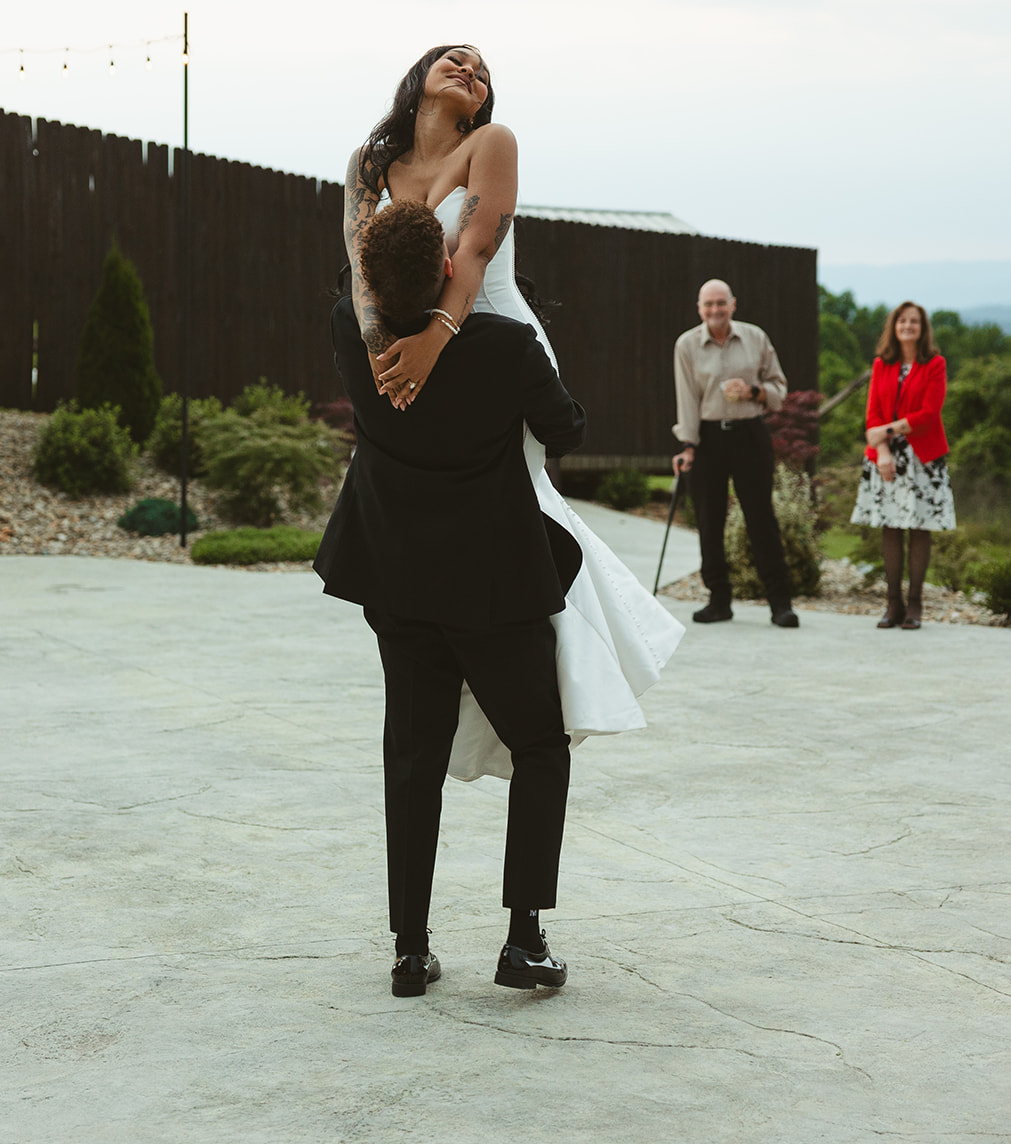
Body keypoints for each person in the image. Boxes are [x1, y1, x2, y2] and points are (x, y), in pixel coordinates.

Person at [342, 44, 685, 783]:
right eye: (452, 58)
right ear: (418, 78)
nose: (470, 68)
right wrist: (380, 354)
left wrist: (432, 341)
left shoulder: (490, 144)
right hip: (404, 348)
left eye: (482, 69)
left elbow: (470, 252)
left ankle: (540, 665)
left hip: (490, 338)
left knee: (509, 505)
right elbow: (360, 262)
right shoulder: (370, 162)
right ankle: (442, 650)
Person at [315, 198, 586, 995]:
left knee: (411, 757)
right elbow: (565, 426)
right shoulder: (503, 343)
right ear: (447, 266)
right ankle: (522, 942)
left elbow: (355, 291)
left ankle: (409, 952)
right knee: (539, 748)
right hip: (494, 584)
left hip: (395, 579)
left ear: (367, 279)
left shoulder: (347, 327)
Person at [671, 279, 798, 627]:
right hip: (709, 439)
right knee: (709, 521)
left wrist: (753, 391)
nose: (715, 310)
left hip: (750, 435)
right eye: (708, 304)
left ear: (733, 305)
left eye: (721, 303)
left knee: (761, 519)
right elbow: (687, 400)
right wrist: (688, 445)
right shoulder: (686, 345)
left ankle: (780, 603)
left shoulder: (755, 338)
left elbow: (779, 389)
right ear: (699, 308)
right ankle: (719, 600)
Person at [850, 301, 955, 629]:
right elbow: (872, 417)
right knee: (891, 527)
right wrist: (882, 450)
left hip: (923, 458)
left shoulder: (935, 364)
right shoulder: (882, 364)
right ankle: (892, 605)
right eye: (902, 321)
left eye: (914, 321)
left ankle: (915, 606)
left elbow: (929, 413)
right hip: (886, 459)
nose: (908, 326)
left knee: (920, 529)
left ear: (922, 329)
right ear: (894, 327)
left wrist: (888, 430)